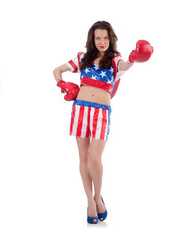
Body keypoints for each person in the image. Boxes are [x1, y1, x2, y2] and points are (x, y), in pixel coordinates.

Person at [53, 21, 153, 224]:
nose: (102, 42)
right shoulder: (83, 58)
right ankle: (89, 201)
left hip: (101, 113)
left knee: (94, 159)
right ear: (92, 39)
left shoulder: (115, 60)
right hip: (80, 109)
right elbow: (57, 70)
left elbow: (125, 66)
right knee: (83, 158)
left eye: (106, 38)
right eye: (98, 37)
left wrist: (133, 58)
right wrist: (63, 84)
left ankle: (98, 196)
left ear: (111, 39)